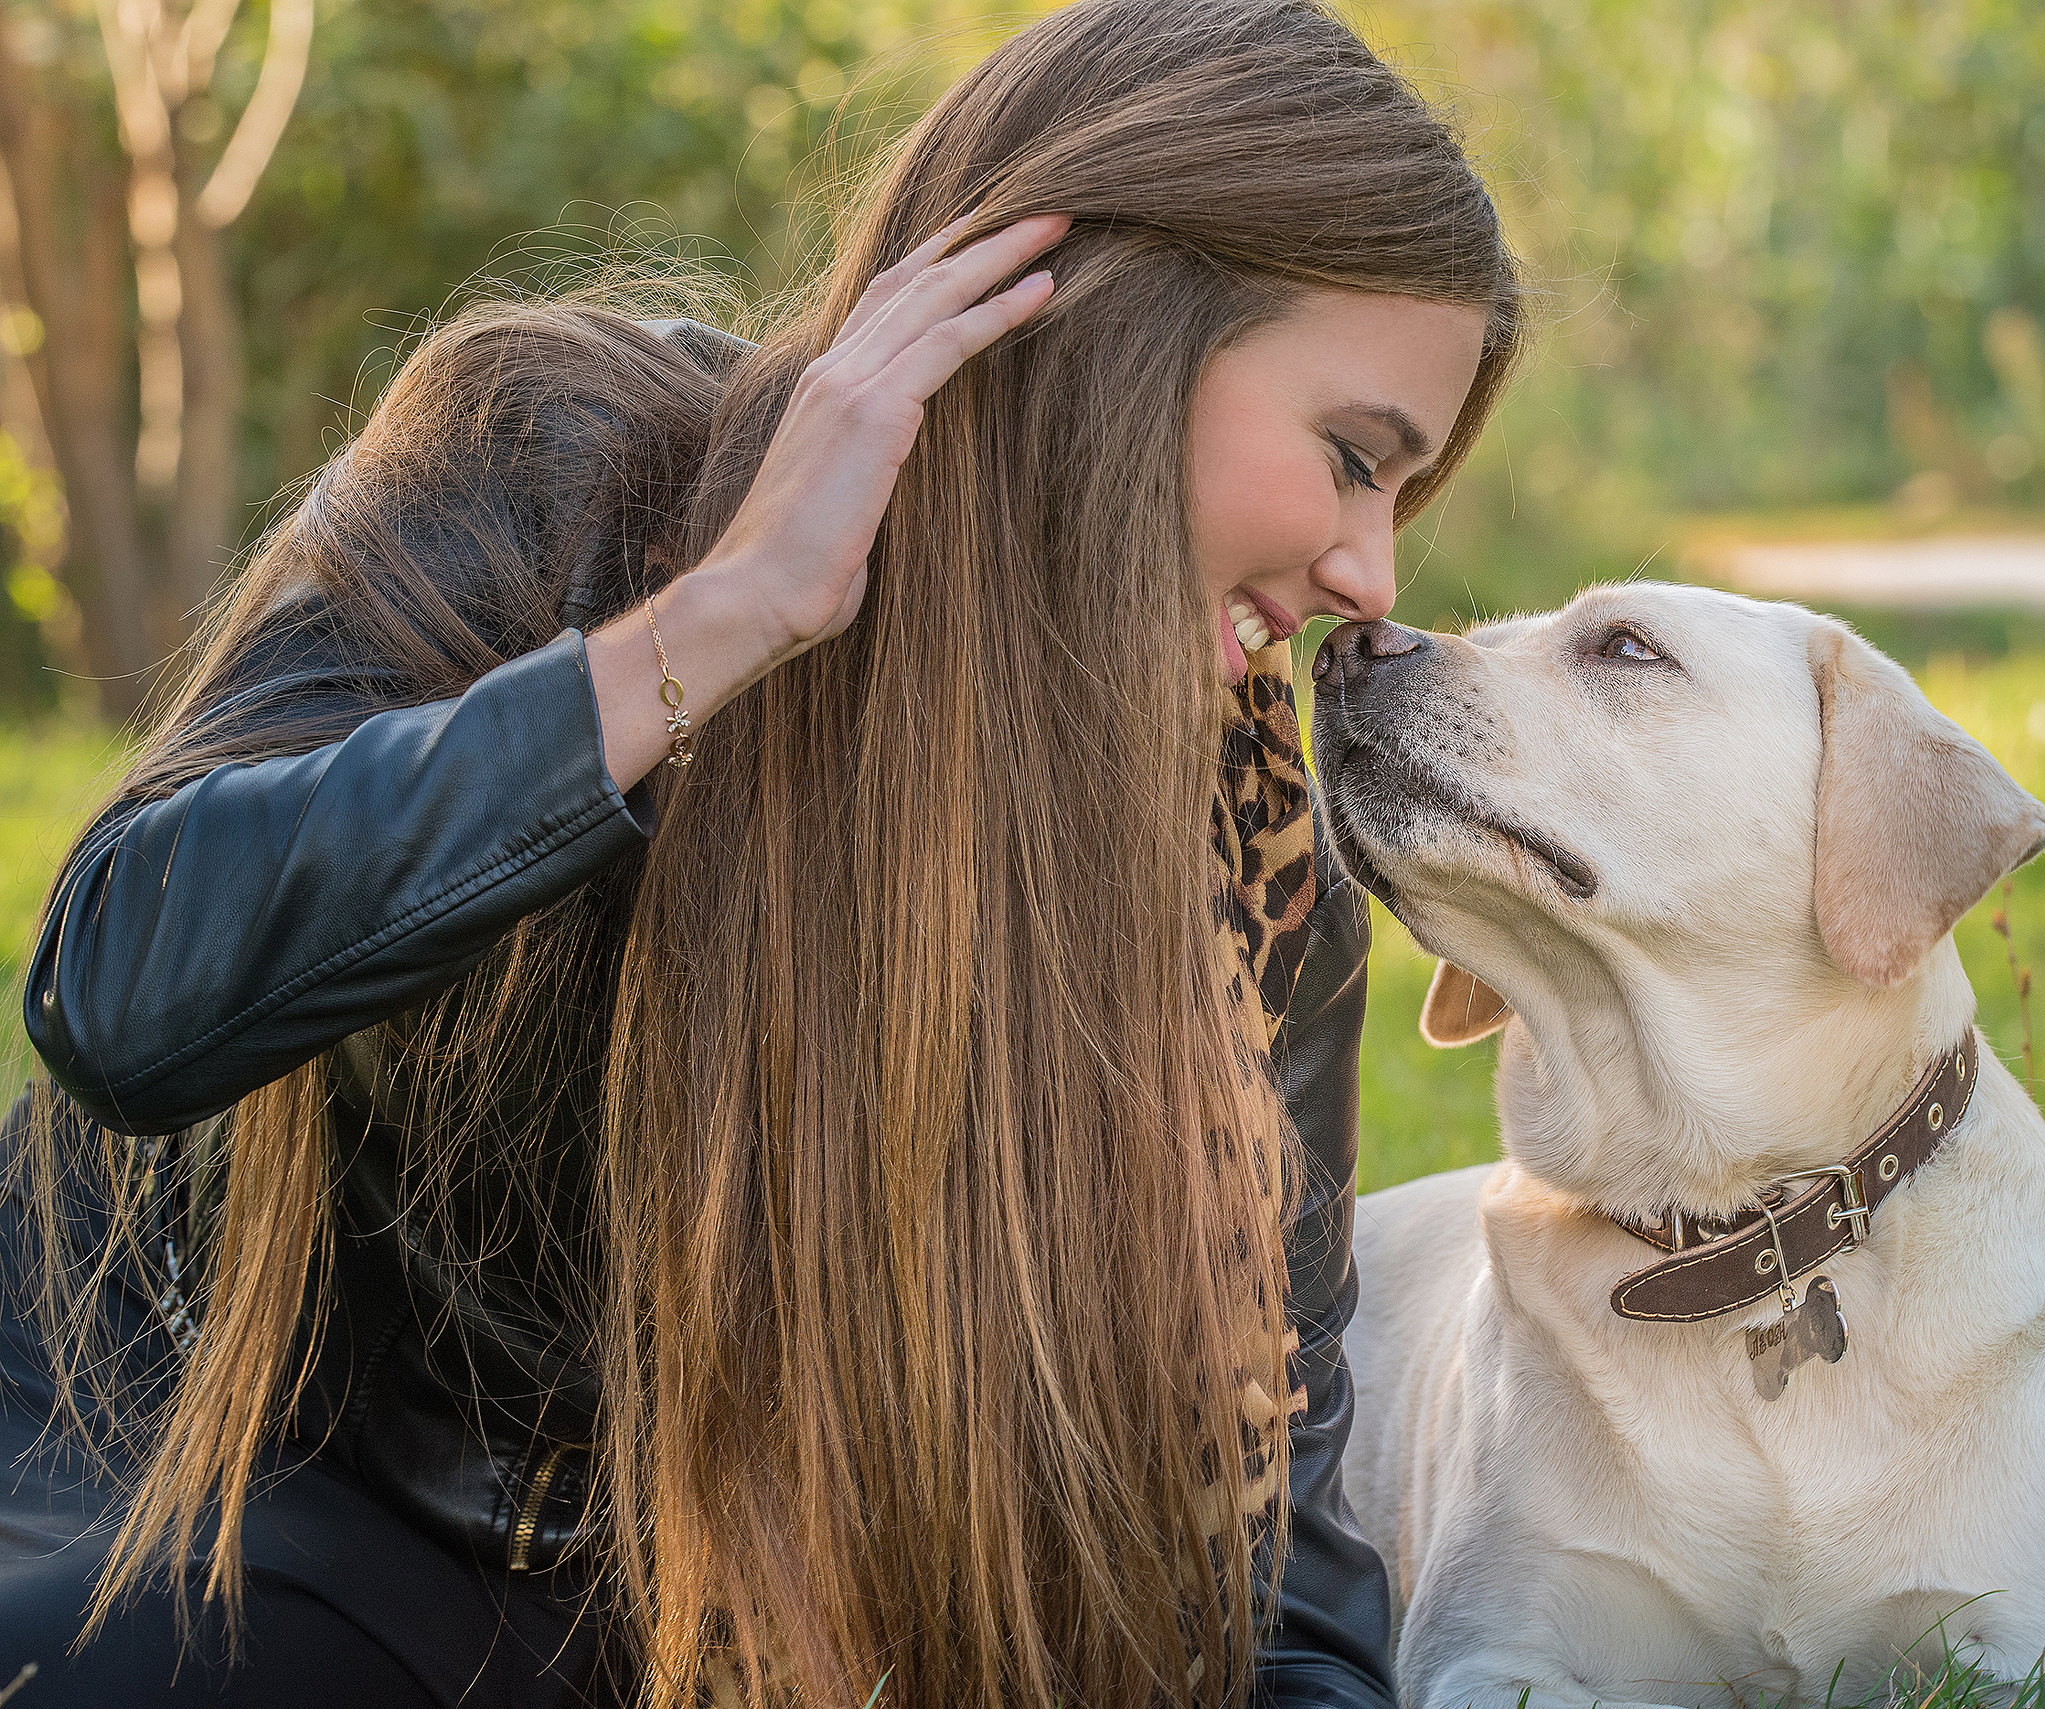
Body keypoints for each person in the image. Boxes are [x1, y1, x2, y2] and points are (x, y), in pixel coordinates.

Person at [0, 1, 1520, 1704]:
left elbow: (1275, 1577)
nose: (1375, 577)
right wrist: (720, 625)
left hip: (757, 1646)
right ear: (1101, 325)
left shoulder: (1261, 882)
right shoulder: (551, 466)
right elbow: (122, 988)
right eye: (1350, 460)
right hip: (251, 1524)